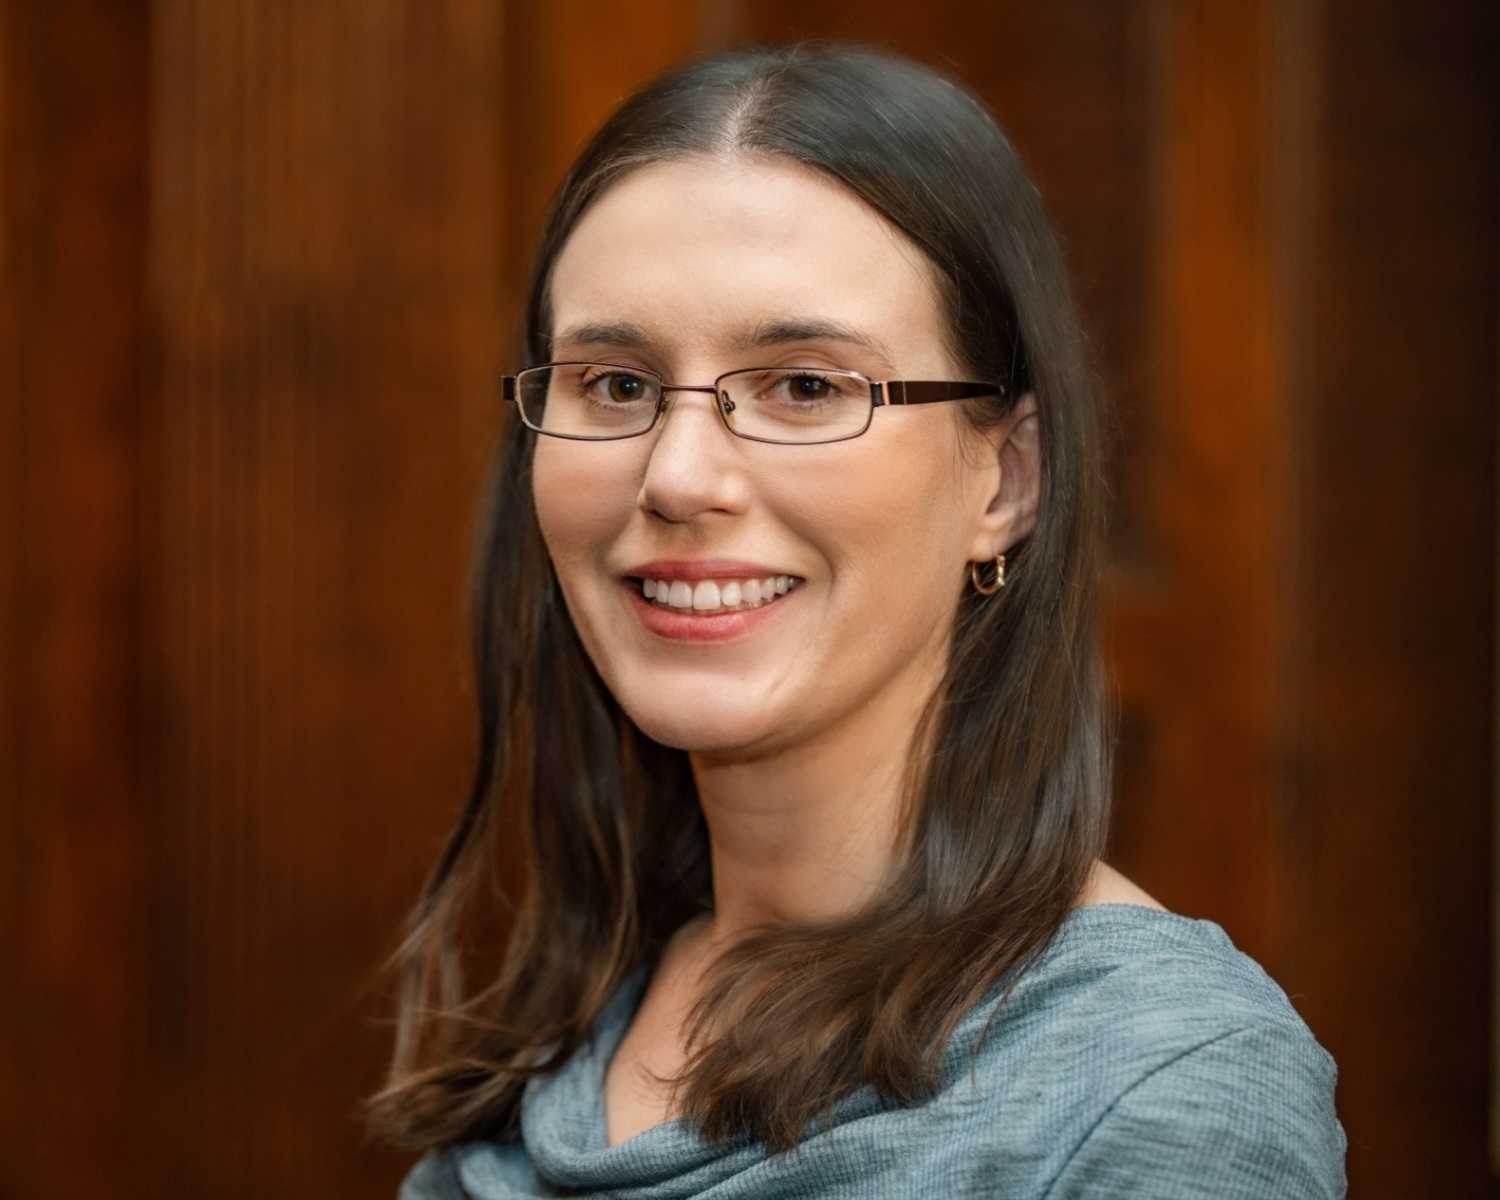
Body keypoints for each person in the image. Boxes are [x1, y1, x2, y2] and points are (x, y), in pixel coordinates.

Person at [371, 45, 1346, 1199]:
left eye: (805, 386)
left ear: (1007, 483)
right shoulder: (550, 1052)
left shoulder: (1156, 1092)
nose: (679, 477)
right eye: (618, 384)